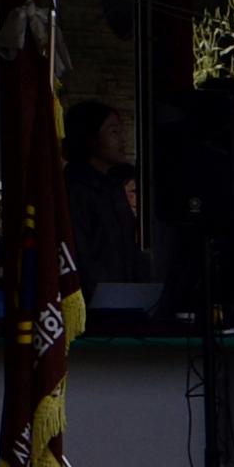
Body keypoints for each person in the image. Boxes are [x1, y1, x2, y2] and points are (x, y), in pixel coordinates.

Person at [65, 98, 154, 322]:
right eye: (113, 131)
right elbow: (81, 253)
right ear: (91, 139)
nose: (122, 140)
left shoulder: (114, 188)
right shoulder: (75, 190)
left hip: (123, 303)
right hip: (92, 309)